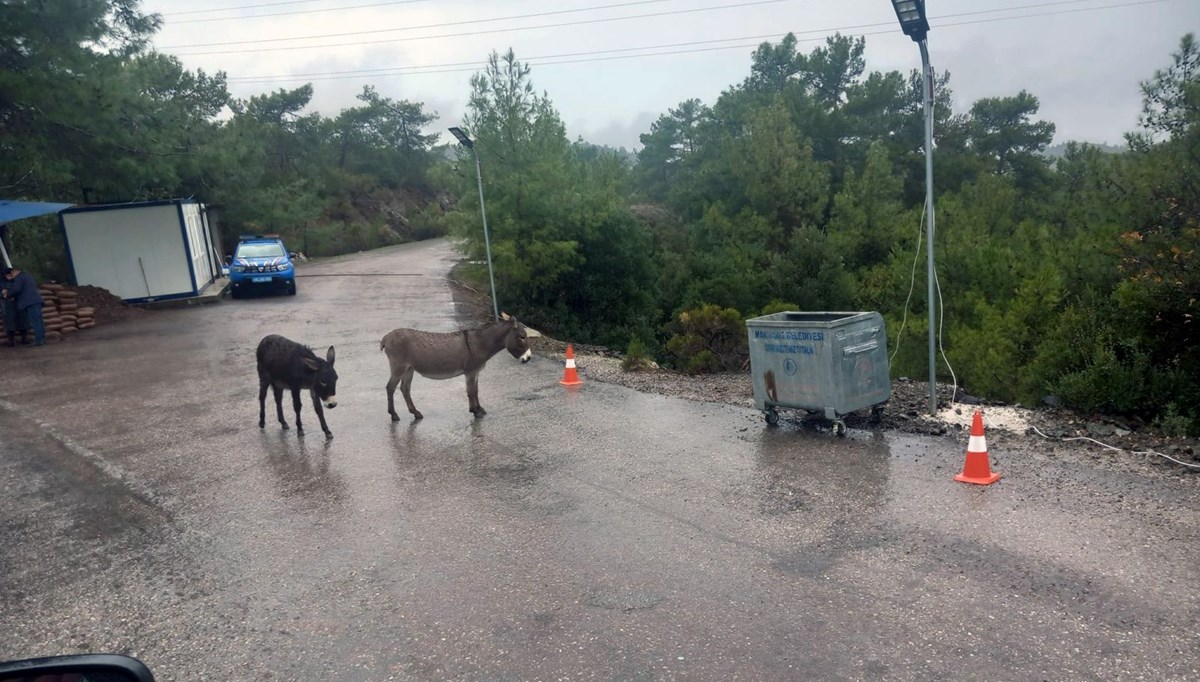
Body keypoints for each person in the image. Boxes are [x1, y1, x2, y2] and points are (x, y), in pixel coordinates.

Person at [1, 265, 44, 346]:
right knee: (39, 321)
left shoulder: (19, 278)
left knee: (35, 321)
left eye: (12, 274)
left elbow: (17, 289)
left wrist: (8, 294)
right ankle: (41, 338)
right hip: (36, 301)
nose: (11, 276)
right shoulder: (28, 276)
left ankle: (39, 340)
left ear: (15, 271)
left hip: (30, 302)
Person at [0, 268, 30, 346]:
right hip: (7, 305)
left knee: (23, 321)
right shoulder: (1, 283)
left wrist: (14, 296)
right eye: (7, 275)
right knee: (9, 323)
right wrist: (4, 295)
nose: (9, 277)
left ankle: (24, 339)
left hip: (18, 304)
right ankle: (11, 341)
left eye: (10, 275)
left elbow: (21, 290)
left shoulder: (17, 281)